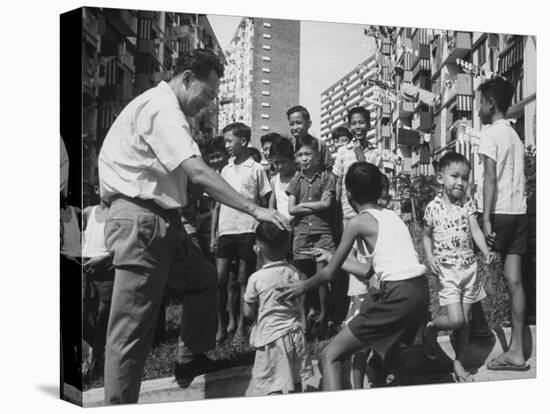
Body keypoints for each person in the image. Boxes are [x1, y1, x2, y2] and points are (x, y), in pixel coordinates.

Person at [98, 49, 288, 405]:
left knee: (202, 280)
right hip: (142, 219)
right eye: (208, 94)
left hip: (161, 219)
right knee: (131, 331)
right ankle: (118, 404)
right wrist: (254, 210)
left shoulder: (166, 109)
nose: (208, 104)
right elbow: (199, 172)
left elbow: (194, 181)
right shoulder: (163, 109)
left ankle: (190, 358)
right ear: (187, 78)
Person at [277, 162, 429, 390]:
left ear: (347, 194)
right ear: (379, 189)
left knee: (331, 355)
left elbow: (328, 275)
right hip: (419, 291)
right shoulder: (392, 216)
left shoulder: (357, 222)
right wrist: (331, 256)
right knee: (388, 353)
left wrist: (302, 286)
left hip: (396, 295)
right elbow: (371, 272)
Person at [422, 152, 496, 382]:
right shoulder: (432, 208)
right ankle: (431, 327)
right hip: (447, 272)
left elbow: (475, 230)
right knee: (456, 320)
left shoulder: (467, 204)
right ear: (440, 178)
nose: (460, 182)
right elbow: (425, 235)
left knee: (465, 324)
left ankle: (459, 363)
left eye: (464, 178)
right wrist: (430, 257)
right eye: (454, 176)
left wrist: (486, 251)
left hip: (469, 270)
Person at [476, 77, 530, 371]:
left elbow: (490, 178)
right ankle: (518, 352)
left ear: (491, 103)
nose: (479, 108)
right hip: (519, 213)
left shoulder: (490, 133)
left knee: (475, 273)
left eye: (480, 102)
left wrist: (485, 219)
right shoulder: (515, 135)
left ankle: (474, 338)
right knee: (515, 281)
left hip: (499, 213)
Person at [215, 122, 272, 343]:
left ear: (244, 142)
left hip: (247, 230)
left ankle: (240, 326)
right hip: (225, 230)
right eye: (225, 141)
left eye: (230, 141)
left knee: (241, 279)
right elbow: (218, 202)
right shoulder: (225, 169)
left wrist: (260, 229)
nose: (227, 145)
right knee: (220, 280)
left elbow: (265, 200)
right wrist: (214, 232)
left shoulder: (256, 169)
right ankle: (221, 325)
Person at [243, 222, 314, 394]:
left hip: (271, 338)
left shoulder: (256, 278)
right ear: (286, 246)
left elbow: (248, 312)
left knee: (273, 384)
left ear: (257, 249)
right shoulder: (293, 271)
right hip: (295, 335)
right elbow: (301, 301)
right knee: (295, 380)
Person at [287, 135, 336, 335]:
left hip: (321, 233)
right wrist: (309, 207)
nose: (304, 158)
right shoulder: (295, 180)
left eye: (308, 154)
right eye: (300, 155)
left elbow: (327, 204)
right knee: (304, 279)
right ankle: (304, 321)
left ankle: (324, 318)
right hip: (302, 235)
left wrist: (302, 205)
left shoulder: (326, 178)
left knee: (322, 278)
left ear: (317, 157)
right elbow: (291, 209)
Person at [81, 200, 114, 380]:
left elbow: (123, 246)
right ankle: (100, 350)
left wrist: (103, 259)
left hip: (107, 269)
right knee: (83, 318)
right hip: (86, 267)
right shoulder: (88, 212)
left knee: (102, 319)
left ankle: (95, 364)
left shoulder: (118, 213)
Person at [287, 105, 334, 171]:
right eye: (291, 124)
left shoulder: (320, 145)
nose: (295, 127)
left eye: (299, 123)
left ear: (309, 124)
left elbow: (329, 168)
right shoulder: (289, 147)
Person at [268, 136, 296, 222]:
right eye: (276, 162)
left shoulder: (299, 179)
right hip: (281, 228)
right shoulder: (274, 181)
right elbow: (271, 207)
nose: (280, 166)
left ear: (292, 159)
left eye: (283, 162)